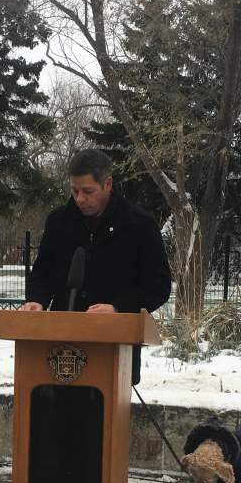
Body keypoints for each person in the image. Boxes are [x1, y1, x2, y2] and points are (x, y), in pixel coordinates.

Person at [22, 149, 172, 384]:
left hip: (115, 349)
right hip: (61, 351)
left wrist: (118, 308)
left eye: (88, 191)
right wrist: (36, 300)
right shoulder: (59, 222)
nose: (80, 198)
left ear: (108, 184)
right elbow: (43, 273)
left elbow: (159, 287)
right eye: (74, 191)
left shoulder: (139, 225)